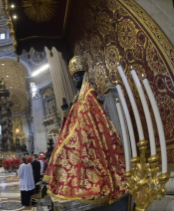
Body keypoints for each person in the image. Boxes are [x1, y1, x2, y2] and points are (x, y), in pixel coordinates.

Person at [43, 56, 127, 203]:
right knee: (59, 152)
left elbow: (90, 113)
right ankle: (69, 183)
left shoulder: (89, 92)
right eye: (74, 77)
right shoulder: (78, 96)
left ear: (85, 75)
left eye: (78, 76)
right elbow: (73, 118)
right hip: (81, 131)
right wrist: (65, 112)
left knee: (66, 150)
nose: (75, 80)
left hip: (90, 132)